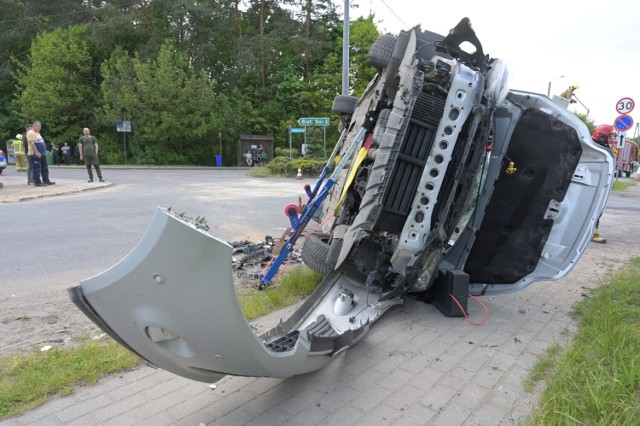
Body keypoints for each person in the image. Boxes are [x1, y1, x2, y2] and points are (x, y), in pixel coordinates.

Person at [591, 124, 616, 243]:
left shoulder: (603, 150)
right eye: (609, 137)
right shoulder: (594, 149)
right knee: (593, 209)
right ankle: (592, 234)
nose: (611, 140)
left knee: (597, 210)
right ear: (602, 137)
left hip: (598, 186)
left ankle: (593, 233)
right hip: (592, 185)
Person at [26, 121, 55, 187]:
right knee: (37, 168)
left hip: (42, 154)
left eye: (40, 126)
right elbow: (32, 143)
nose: (40, 127)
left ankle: (46, 180)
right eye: (38, 126)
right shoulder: (30, 133)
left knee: (44, 168)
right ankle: (37, 182)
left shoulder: (37, 133)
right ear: (34, 126)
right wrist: (36, 152)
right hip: (34, 154)